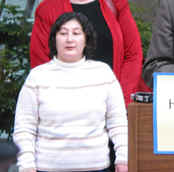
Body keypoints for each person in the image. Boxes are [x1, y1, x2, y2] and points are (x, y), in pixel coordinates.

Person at [30, 0, 148, 106]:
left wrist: (119, 99)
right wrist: (65, 102)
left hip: (117, 103)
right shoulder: (48, 9)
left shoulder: (115, 1)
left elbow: (133, 54)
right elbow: (40, 62)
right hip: (68, 106)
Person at [13, 12, 128, 172]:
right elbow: (25, 127)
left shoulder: (103, 73)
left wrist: (123, 159)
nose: (69, 39)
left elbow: (118, 123)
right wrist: (26, 165)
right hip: (47, 167)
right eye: (63, 33)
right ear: (55, 39)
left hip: (96, 167)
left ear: (86, 39)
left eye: (76, 33)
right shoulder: (38, 77)